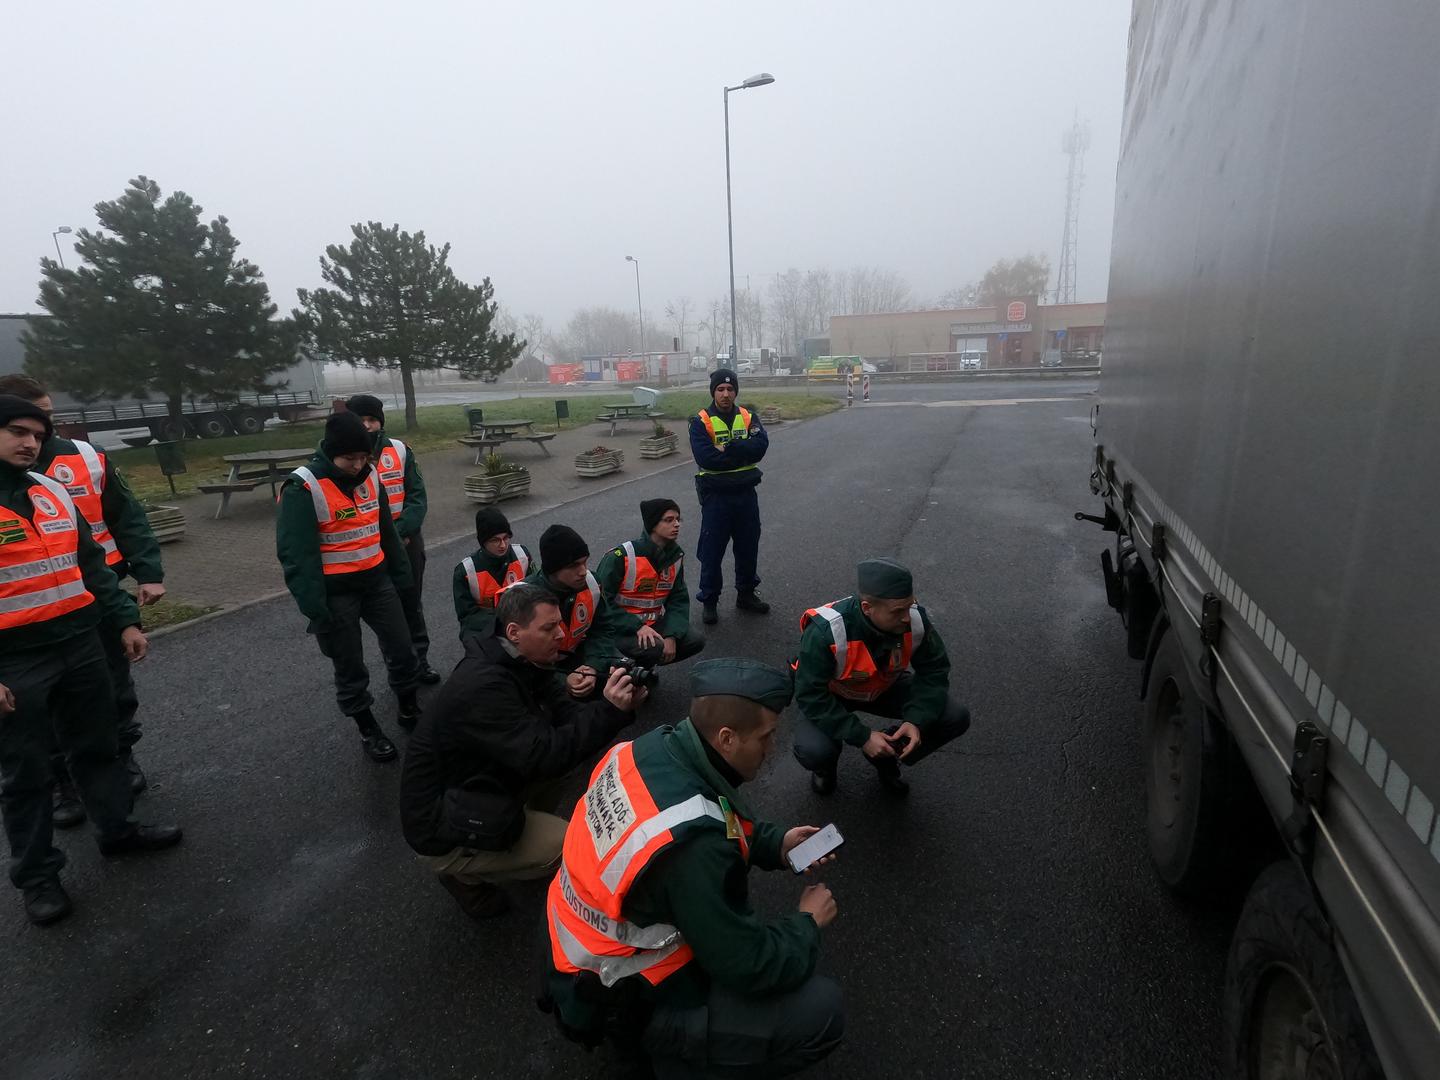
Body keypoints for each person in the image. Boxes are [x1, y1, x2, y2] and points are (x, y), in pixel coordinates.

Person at [540, 658, 845, 1078]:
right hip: (621, 992)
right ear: (727, 738)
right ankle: (674, 1059)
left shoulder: (649, 748)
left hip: (573, 949)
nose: (772, 748)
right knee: (821, 1011)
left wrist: (776, 845)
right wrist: (806, 923)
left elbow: (702, 814)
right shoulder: (693, 854)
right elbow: (748, 963)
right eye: (766, 736)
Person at [0, 395, 182, 926]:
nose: (29, 442)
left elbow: (91, 564)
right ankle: (38, 878)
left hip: (81, 643)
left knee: (98, 747)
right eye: (15, 431)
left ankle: (117, 831)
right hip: (15, 660)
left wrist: (124, 619)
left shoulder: (51, 491)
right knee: (26, 775)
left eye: (36, 434)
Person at [400, 585, 645, 920]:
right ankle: (462, 870)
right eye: (548, 628)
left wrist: (606, 699)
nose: (560, 635)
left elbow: (564, 716)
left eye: (559, 624)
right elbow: (546, 754)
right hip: (438, 821)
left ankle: (514, 835)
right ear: (514, 631)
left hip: (476, 782)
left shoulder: (517, 656)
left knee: (561, 764)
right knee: (567, 847)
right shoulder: (484, 686)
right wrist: (609, 713)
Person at [276, 411, 422, 763]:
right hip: (335, 595)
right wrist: (316, 609)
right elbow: (296, 555)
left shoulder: (371, 477)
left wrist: (403, 582)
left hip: (377, 582)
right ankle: (367, 726)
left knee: (403, 649)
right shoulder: (304, 487)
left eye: (364, 457)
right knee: (349, 665)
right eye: (349, 459)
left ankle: (408, 706)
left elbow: (386, 532)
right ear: (330, 452)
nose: (357, 465)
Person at [791, 558, 971, 797]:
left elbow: (934, 671)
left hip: (883, 688)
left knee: (955, 716)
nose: (907, 617)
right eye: (898, 612)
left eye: (910, 606)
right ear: (867, 608)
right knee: (815, 750)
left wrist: (916, 720)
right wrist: (863, 736)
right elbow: (810, 694)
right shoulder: (826, 632)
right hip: (833, 695)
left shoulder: (913, 620)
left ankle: (889, 752)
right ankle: (825, 768)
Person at [345, 394, 440, 684]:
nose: (368, 426)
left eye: (372, 419)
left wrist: (400, 534)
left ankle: (420, 661)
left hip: (407, 543)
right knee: (387, 615)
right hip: (370, 550)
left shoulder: (399, 451)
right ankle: (400, 668)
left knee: (411, 603)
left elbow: (417, 497)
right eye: (361, 420)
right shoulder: (346, 459)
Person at [689, 368, 771, 627]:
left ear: (736, 391)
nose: (726, 394)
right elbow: (706, 458)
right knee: (712, 552)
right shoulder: (700, 422)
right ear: (713, 392)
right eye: (720, 389)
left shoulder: (748, 417)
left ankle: (746, 594)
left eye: (730, 389)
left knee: (748, 548)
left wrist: (730, 447)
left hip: (746, 495)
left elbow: (760, 448)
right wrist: (742, 450)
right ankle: (710, 601)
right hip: (717, 498)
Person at [592, 498, 705, 670]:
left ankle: (640, 668)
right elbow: (601, 603)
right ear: (652, 524)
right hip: (618, 628)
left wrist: (671, 635)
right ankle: (626, 669)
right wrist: (636, 627)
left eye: (678, 519)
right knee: (654, 648)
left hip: (650, 625)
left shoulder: (674, 557)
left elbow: (678, 599)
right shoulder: (620, 557)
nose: (676, 524)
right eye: (669, 520)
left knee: (695, 640)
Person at [508, 524, 609, 700]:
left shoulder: (592, 583)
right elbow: (514, 658)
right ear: (553, 568)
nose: (583, 571)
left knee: (620, 674)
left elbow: (603, 629)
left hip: (576, 655)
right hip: (539, 667)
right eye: (574, 565)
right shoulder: (520, 598)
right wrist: (562, 680)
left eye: (585, 562)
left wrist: (593, 666)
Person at [452, 507, 530, 639]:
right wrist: (501, 621)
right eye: (495, 540)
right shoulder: (465, 571)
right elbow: (467, 617)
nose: (502, 545)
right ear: (483, 542)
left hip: (522, 625)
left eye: (506, 538)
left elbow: (537, 593)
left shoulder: (522, 555)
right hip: (486, 631)